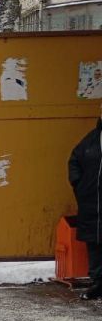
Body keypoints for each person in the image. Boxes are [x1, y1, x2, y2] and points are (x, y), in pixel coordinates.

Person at [67, 105, 102, 300]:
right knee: (94, 243)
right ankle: (98, 283)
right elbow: (74, 160)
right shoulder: (91, 139)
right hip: (91, 202)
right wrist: (79, 185)